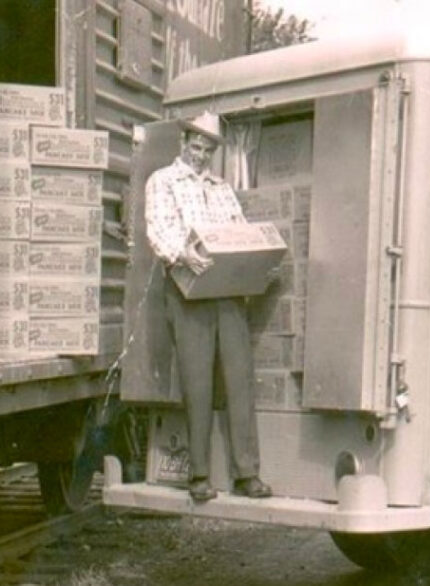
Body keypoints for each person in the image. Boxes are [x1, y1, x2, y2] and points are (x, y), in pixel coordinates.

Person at [144, 112, 272, 502]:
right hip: (188, 290)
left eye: (207, 149)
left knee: (239, 378)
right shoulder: (162, 181)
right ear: (183, 143)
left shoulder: (222, 188)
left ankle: (246, 473)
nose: (200, 155)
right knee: (196, 381)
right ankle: (198, 475)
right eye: (195, 146)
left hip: (227, 291)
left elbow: (238, 228)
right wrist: (182, 254)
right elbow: (158, 229)